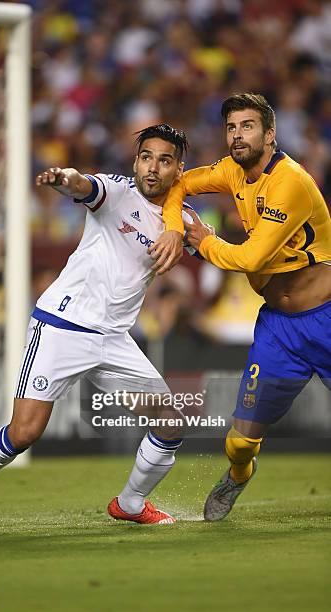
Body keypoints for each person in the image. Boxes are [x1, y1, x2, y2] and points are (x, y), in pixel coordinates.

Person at [0, 123, 189, 528]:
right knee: (24, 432)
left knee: (171, 421)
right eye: (146, 157)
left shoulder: (183, 223)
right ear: (135, 161)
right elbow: (84, 185)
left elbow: (223, 250)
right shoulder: (117, 192)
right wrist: (63, 179)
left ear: (179, 169)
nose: (152, 168)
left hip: (114, 339)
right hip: (62, 325)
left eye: (164, 160)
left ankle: (129, 503)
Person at [152, 93, 331, 521]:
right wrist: (176, 230)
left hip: (325, 317)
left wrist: (203, 242)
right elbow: (177, 183)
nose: (237, 135)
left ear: (270, 134)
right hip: (277, 329)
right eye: (231, 127)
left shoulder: (290, 181)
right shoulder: (231, 170)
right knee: (240, 442)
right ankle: (236, 476)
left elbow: (250, 259)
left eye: (247, 126)